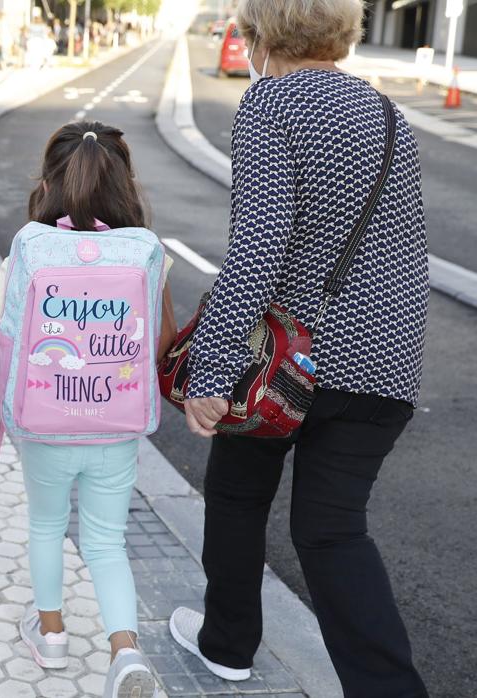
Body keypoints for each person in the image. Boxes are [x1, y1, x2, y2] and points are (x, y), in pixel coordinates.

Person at [171, 0, 429, 693]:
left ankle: (226, 645)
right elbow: (401, 247)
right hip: (383, 363)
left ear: (256, 36)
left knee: (235, 495)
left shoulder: (269, 103)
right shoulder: (386, 116)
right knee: (332, 533)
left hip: (285, 364)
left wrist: (210, 370)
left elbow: (257, 248)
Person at [0, 122, 176, 697]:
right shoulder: (146, 252)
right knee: (107, 540)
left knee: (46, 525)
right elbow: (162, 341)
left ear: (49, 182)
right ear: (127, 185)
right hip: (116, 427)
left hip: (45, 426)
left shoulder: (31, 248)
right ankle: (125, 650)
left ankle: (52, 634)